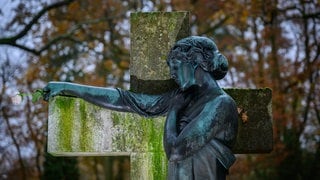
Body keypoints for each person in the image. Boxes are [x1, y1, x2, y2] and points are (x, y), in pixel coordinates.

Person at [43, 36, 238, 180]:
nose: (172, 74)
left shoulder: (221, 104)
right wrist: (67, 87)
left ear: (195, 62)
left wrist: (173, 111)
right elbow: (127, 100)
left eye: (175, 66)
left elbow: (176, 151)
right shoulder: (184, 97)